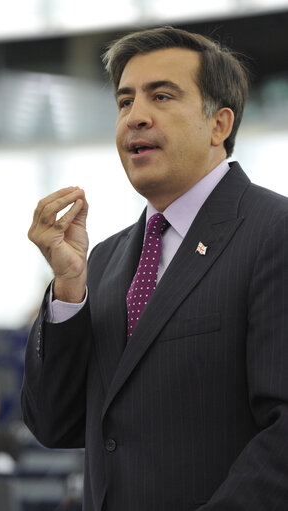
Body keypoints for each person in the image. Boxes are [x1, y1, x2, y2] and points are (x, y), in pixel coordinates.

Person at [21, 26, 288, 510]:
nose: (135, 117)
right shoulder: (102, 258)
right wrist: (68, 290)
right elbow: (55, 424)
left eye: (161, 96)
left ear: (219, 125)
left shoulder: (275, 233)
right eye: (124, 102)